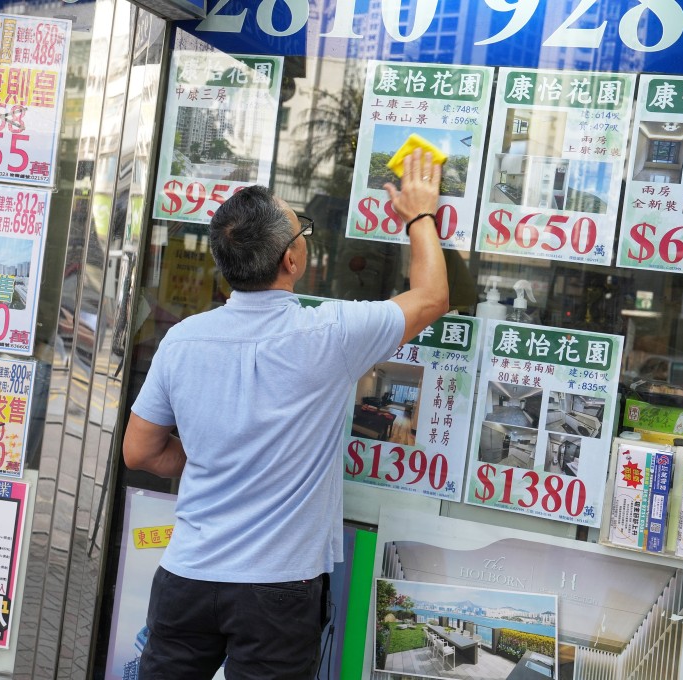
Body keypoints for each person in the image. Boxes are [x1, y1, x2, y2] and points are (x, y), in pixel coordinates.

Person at [123, 149, 449, 679]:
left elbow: (140, 451)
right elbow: (432, 297)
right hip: (277, 589)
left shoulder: (181, 341)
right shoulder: (329, 335)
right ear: (292, 261)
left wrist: (213, 450)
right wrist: (419, 215)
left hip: (187, 576)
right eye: (303, 235)